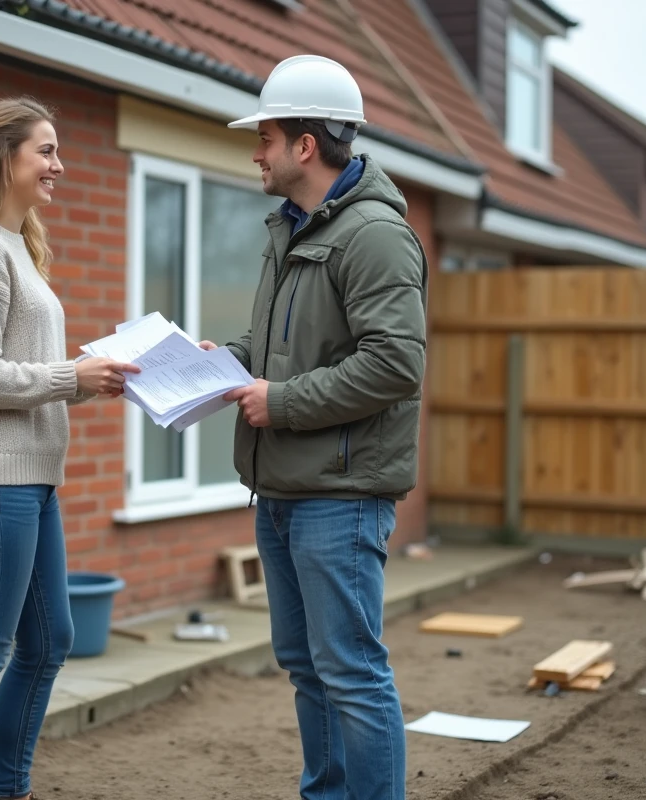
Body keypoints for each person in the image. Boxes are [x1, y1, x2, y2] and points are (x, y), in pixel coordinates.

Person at [199, 55, 428, 800]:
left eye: (264, 135)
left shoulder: (374, 236)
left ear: (305, 145)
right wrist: (222, 364)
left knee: (352, 673)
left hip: (341, 495)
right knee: (307, 667)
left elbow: (396, 365)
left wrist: (283, 400)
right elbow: (284, 353)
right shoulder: (290, 230)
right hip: (284, 492)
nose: (255, 150)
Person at [0, 96, 138, 800]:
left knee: (48, 644)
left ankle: (8, 791)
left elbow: (15, 367)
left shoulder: (16, 246)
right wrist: (72, 377)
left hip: (30, 484)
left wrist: (88, 376)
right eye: (44, 150)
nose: (59, 165)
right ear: (1, 156)